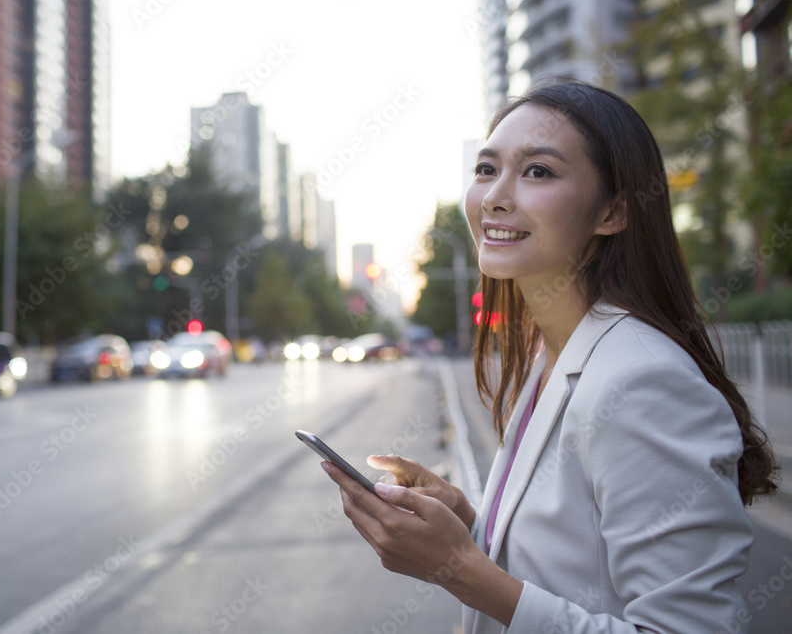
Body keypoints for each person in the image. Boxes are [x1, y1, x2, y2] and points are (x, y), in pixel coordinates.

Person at [321, 79, 779, 632]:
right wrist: (467, 524)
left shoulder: (642, 380)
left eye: (538, 171)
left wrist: (459, 569)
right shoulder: (555, 355)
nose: (494, 196)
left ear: (612, 211)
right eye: (487, 169)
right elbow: (569, 563)